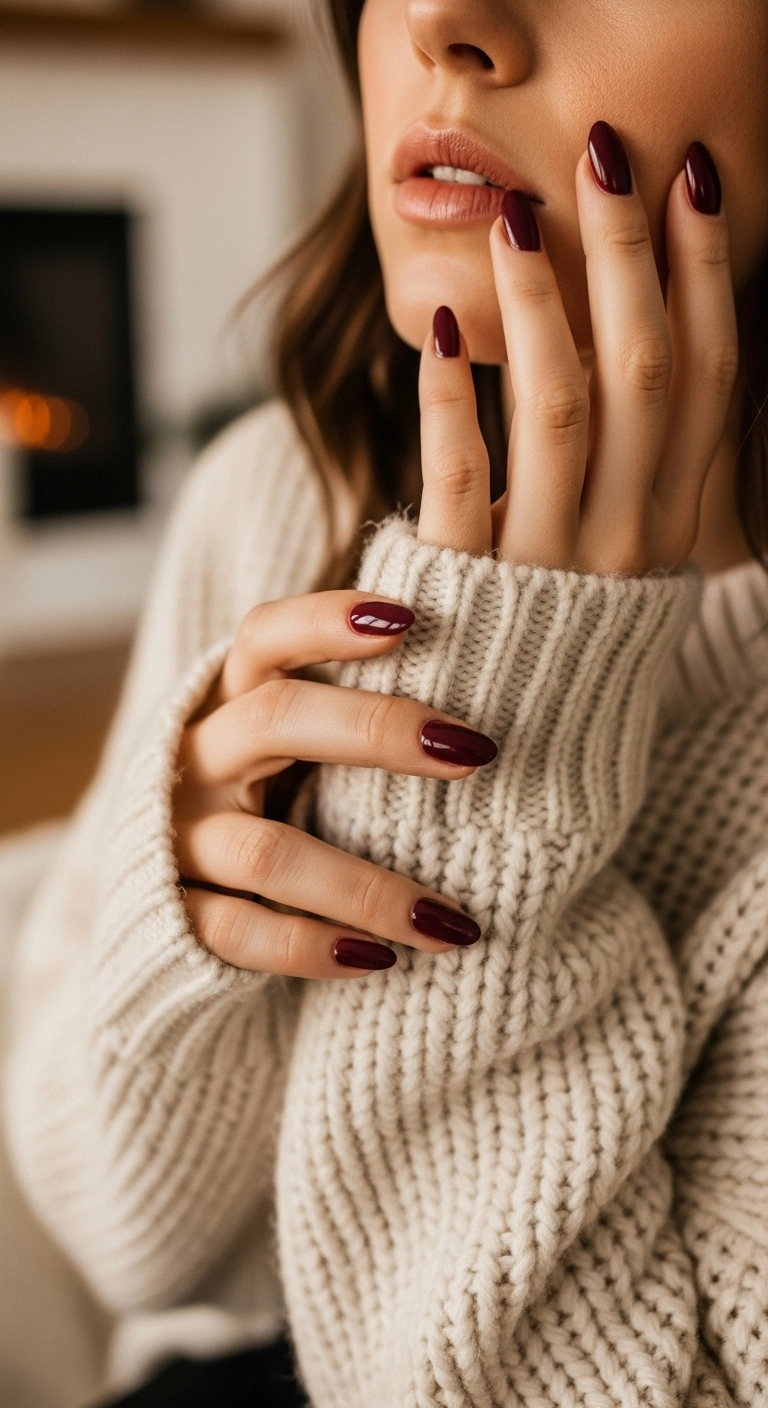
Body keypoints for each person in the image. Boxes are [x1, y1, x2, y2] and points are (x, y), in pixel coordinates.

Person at [4, 1, 768, 1404]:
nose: (442, 18)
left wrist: (506, 769)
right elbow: (125, 1247)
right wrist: (173, 923)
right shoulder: (278, 492)